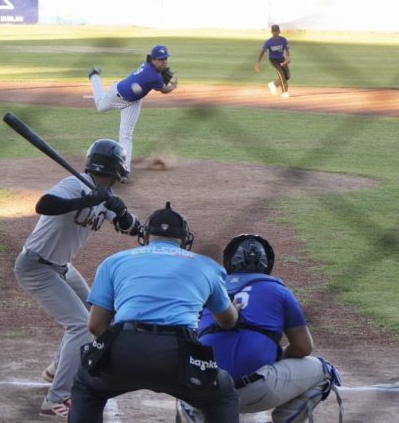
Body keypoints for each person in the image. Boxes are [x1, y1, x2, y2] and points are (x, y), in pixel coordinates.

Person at [69, 202, 241, 423]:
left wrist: (120, 351)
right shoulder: (207, 265)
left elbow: (95, 326)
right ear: (185, 239)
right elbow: (228, 321)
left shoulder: (114, 261)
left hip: (125, 347)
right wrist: (233, 311)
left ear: (146, 235)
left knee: (87, 385)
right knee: (223, 394)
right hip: (179, 354)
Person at [14, 139, 141, 419]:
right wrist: (87, 200)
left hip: (61, 267)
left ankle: (55, 370)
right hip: (36, 266)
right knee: (82, 327)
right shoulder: (76, 184)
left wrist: (121, 212)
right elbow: (43, 205)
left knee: (98, 317)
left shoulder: (103, 193)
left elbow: (129, 228)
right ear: (115, 171)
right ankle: (56, 399)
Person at [179, 234, 342, 423]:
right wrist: (273, 357)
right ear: (267, 264)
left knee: (184, 372)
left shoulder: (211, 288)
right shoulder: (278, 291)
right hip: (258, 391)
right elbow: (303, 347)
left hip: (206, 389)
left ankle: (200, 418)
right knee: (325, 372)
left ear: (229, 261)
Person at [88, 45, 177, 179]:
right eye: (160, 59)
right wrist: (173, 86)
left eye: (165, 58)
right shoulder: (154, 76)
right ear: (153, 59)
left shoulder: (152, 67)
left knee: (126, 135)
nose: (164, 62)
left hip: (133, 102)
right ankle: (94, 75)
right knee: (100, 106)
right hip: (117, 95)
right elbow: (164, 90)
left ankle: (125, 170)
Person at [255, 24, 291, 99]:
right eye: (274, 31)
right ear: (271, 32)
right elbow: (262, 52)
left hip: (282, 58)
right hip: (273, 60)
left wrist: (287, 57)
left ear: (279, 31)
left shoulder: (283, 40)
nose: (275, 32)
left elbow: (287, 49)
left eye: (276, 31)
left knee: (287, 76)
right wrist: (258, 62)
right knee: (281, 73)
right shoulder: (268, 42)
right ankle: (284, 92)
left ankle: (273, 85)